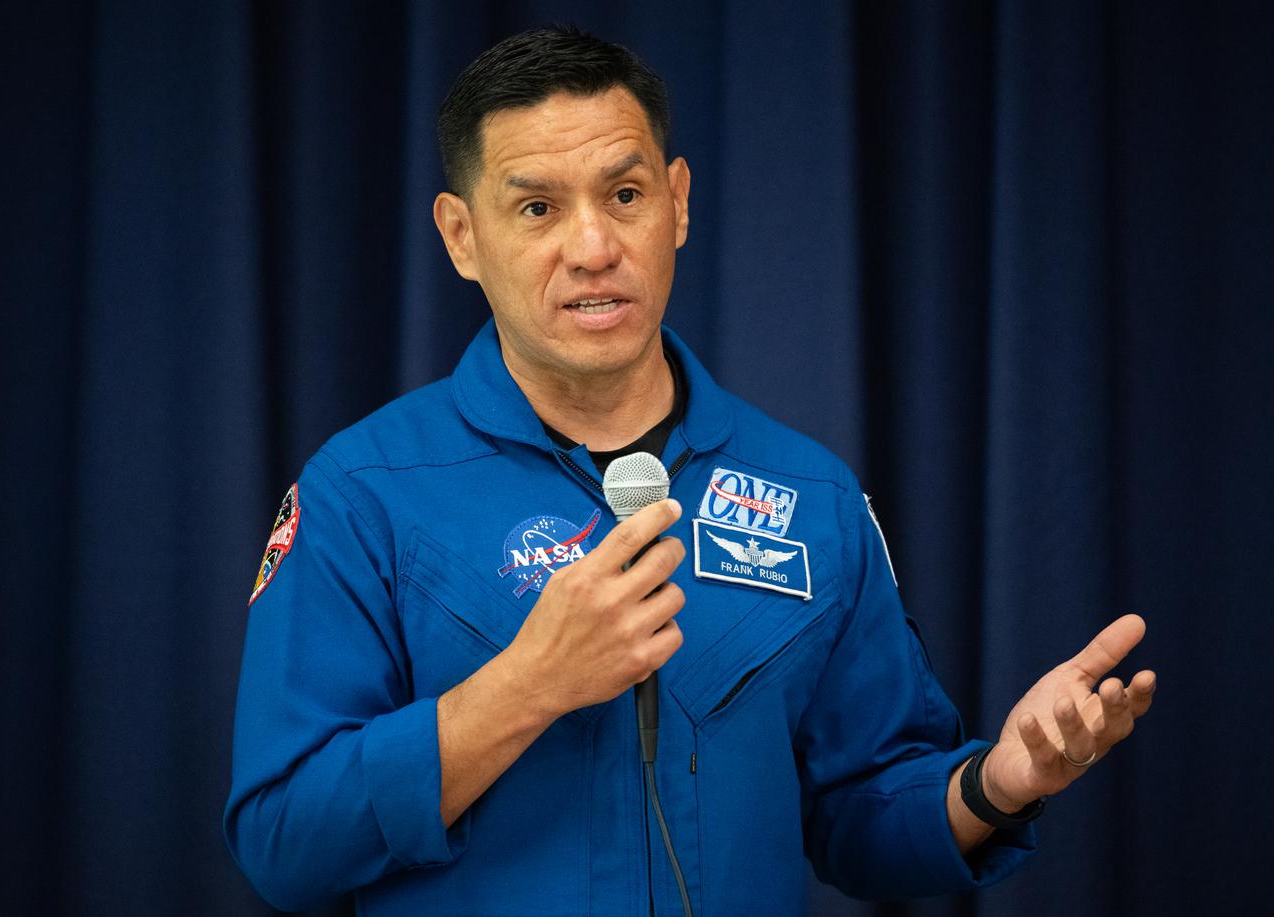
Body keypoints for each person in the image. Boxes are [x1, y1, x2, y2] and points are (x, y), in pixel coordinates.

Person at [224, 26, 1156, 916]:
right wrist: (526, 687)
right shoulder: (363, 491)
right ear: (461, 235)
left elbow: (862, 814)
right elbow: (282, 841)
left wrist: (995, 784)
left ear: (677, 202)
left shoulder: (812, 496)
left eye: (625, 195)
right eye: (538, 208)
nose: (594, 248)